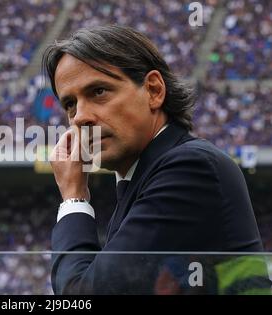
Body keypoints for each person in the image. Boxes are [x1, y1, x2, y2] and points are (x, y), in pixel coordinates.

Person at [42, 25, 264, 294]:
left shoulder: (190, 168)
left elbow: (82, 297)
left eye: (98, 92)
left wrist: (73, 198)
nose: (80, 117)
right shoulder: (143, 176)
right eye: (70, 105)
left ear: (154, 90)